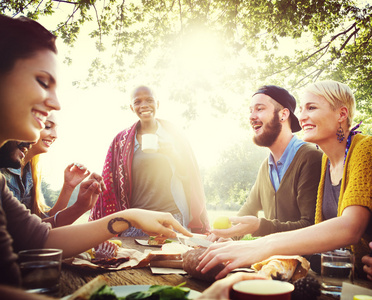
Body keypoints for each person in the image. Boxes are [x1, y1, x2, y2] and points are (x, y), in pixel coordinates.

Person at [0, 14, 191, 291]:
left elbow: (39, 238)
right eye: (42, 81)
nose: (55, 103)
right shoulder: (121, 141)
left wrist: (132, 216)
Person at [197, 80, 372, 281]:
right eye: (302, 108)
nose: (302, 116)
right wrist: (221, 238)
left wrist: (262, 243)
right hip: (343, 281)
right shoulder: (326, 161)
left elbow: (349, 228)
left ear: (341, 114)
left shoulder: (363, 149)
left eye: (312, 108)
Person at [89, 85, 210, 235]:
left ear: (157, 104)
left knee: (173, 255)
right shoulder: (121, 141)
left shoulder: (174, 134)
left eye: (149, 100)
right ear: (132, 107)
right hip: (136, 222)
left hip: (172, 218)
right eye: (138, 102)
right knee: (134, 258)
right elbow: (111, 184)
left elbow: (190, 176)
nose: (144, 105)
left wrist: (173, 154)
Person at [209, 85, 322, 241]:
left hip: (304, 264)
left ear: (283, 114)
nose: (251, 116)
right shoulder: (266, 166)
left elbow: (311, 227)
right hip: (272, 264)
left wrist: (260, 226)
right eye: (251, 111)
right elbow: (247, 211)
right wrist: (223, 237)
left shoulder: (310, 158)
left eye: (259, 109)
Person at [0, 139, 101, 227]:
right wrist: (80, 207)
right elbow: (25, 233)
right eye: (47, 126)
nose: (55, 135)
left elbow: (41, 221)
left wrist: (68, 187)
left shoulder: (30, 171)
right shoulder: (4, 170)